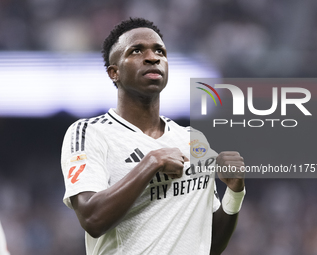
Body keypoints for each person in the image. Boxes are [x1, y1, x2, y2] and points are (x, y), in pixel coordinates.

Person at [61, 18, 245, 255]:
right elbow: (92, 219)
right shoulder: (91, 133)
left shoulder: (193, 139)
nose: (152, 57)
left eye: (160, 51)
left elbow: (208, 244)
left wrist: (234, 193)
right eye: (136, 51)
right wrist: (151, 162)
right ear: (114, 72)